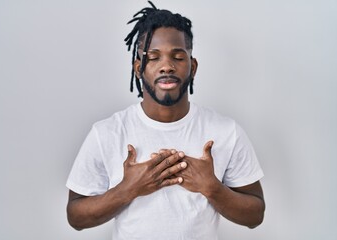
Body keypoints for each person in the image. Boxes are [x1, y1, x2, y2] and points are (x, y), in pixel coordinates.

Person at [66, 1, 265, 239]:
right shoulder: (107, 133)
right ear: (139, 68)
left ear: (192, 66)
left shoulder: (225, 131)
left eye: (178, 57)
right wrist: (127, 190)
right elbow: (75, 217)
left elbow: (256, 214)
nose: (166, 66)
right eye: (154, 57)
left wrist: (212, 188)